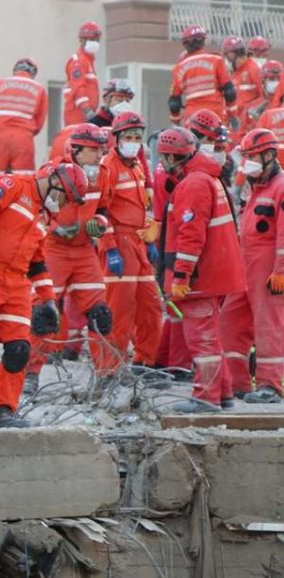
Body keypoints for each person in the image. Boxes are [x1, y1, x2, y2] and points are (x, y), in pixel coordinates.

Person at [0, 163, 89, 430]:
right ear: (54, 181)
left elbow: (37, 261)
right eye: (65, 196)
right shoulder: (15, 186)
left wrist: (48, 300)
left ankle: (2, 411)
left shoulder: (43, 216)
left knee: (19, 349)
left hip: (17, 281)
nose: (64, 202)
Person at [156, 126, 245, 412]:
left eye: (165, 158)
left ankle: (206, 397)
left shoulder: (193, 184)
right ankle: (224, 392)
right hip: (214, 271)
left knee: (201, 339)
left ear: (173, 158)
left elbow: (191, 236)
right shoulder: (207, 177)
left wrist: (181, 276)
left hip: (200, 276)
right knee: (211, 336)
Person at [25, 126, 115, 393]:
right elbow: (34, 207)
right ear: (75, 150)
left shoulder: (103, 175)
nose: (100, 155)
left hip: (84, 251)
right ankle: (30, 374)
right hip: (53, 249)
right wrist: (53, 228)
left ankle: (106, 374)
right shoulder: (51, 172)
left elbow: (103, 209)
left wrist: (98, 224)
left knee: (101, 316)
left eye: (101, 149)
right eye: (94, 150)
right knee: (44, 313)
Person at [96, 112, 164, 376]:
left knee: (150, 306)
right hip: (119, 244)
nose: (133, 141)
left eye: (137, 137)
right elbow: (100, 212)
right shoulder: (108, 167)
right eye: (128, 137)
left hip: (136, 241)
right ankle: (110, 369)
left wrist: (148, 239)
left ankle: (145, 362)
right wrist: (110, 248)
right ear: (117, 138)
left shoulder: (136, 166)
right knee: (119, 310)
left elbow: (140, 207)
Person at [220, 128, 284, 403]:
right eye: (245, 157)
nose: (248, 163)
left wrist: (280, 272)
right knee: (229, 322)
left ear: (270, 155)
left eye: (253, 156)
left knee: (268, 324)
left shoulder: (280, 187)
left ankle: (271, 385)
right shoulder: (255, 188)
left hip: (268, 268)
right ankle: (237, 382)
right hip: (245, 266)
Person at [0, 58, 48, 179]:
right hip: (23, 139)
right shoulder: (39, 90)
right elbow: (39, 123)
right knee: (23, 181)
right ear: (32, 73)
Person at [170, 25, 236, 123]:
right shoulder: (216, 60)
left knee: (192, 138)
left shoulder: (178, 68)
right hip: (214, 113)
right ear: (203, 41)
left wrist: (175, 119)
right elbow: (229, 92)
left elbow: (174, 102)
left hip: (191, 116)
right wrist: (232, 115)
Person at [64, 21, 102, 125]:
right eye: (91, 39)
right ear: (82, 40)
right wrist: (87, 110)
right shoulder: (79, 62)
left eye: (96, 40)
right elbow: (78, 88)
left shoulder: (88, 61)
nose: (94, 42)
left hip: (84, 116)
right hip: (77, 115)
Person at [224, 35, 262, 137]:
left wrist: (249, 111)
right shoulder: (235, 73)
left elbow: (265, 97)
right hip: (236, 126)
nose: (226, 58)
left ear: (232, 54)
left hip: (248, 127)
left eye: (226, 55)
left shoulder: (254, 69)